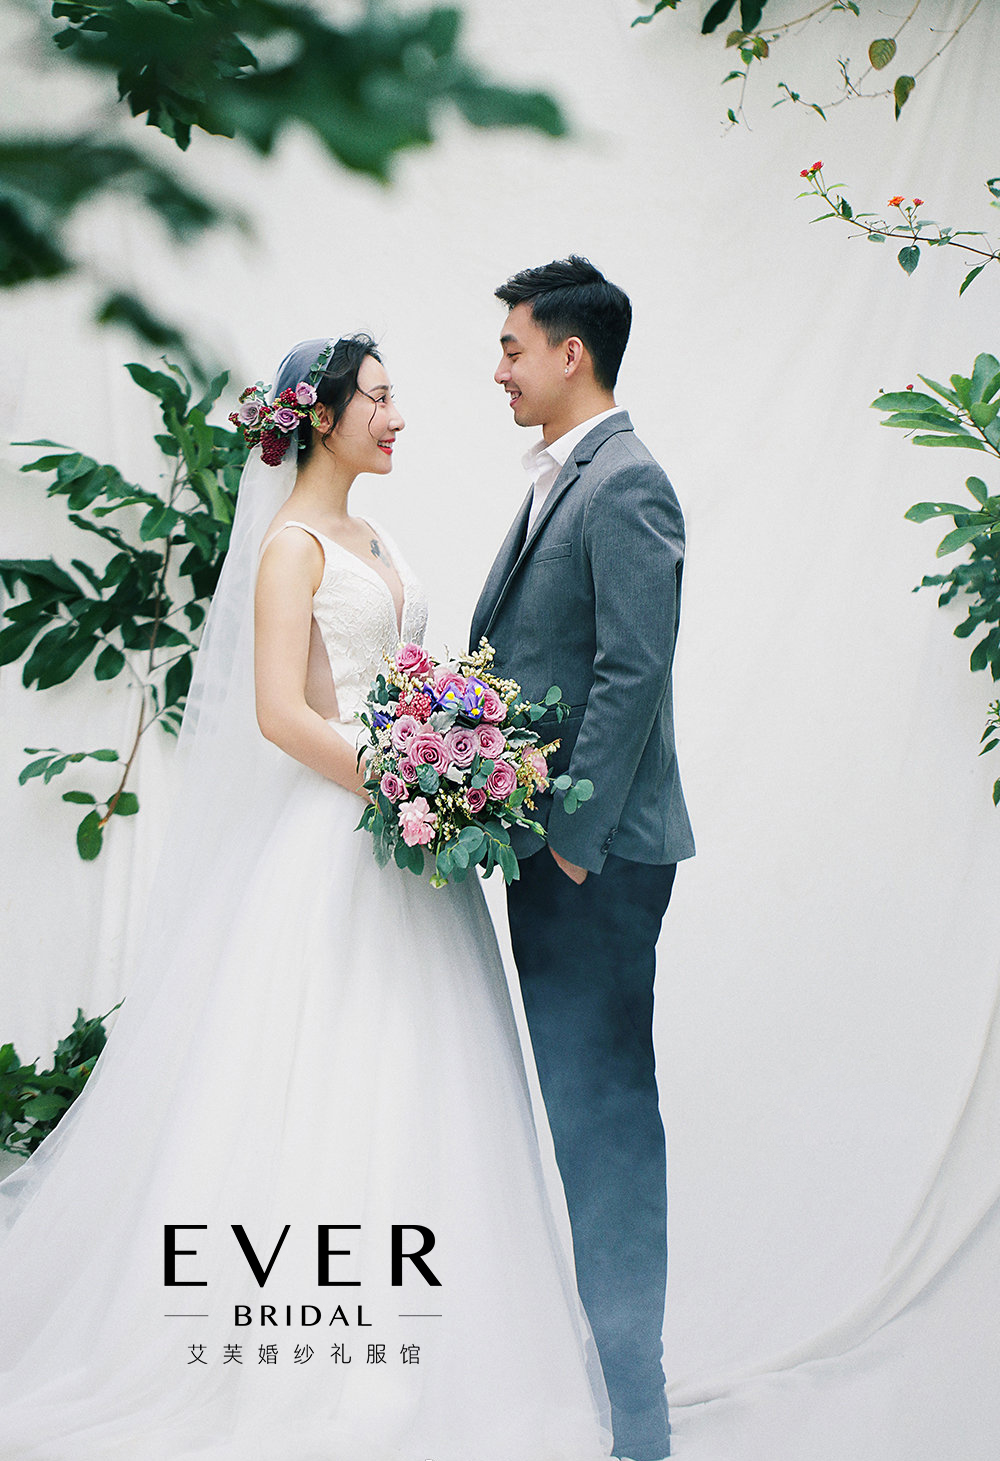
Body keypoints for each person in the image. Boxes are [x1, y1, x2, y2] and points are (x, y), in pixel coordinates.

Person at [0, 335, 612, 1460]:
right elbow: (280, 714)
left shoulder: (373, 536)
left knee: (427, 1073)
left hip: (408, 846)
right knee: (326, 1072)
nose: (397, 417)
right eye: (378, 398)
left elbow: (404, 680)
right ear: (321, 416)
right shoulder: (290, 547)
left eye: (394, 396)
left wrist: (453, 762)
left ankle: (439, 1347)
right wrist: (408, 783)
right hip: (340, 841)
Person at [470, 258, 696, 1461]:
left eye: (512, 347)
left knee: (605, 1121)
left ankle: (638, 1416)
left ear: (571, 353)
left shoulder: (626, 481)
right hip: (560, 857)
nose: (498, 370)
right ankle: (607, 1386)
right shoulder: (569, 477)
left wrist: (567, 841)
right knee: (578, 1110)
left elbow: (632, 670)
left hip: (595, 864)